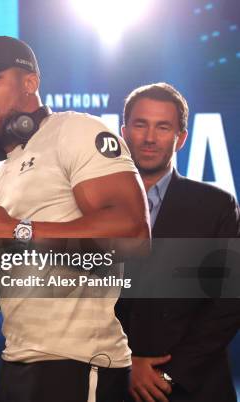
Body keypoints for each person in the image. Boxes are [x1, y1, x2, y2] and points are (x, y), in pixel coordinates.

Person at [0, 35, 149, 402]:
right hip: (17, 365)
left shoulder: (75, 131)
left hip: (81, 365)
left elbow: (133, 234)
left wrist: (16, 230)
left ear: (30, 83)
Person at [117, 82, 240, 402]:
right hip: (113, 382)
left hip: (194, 387)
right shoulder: (91, 207)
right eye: (140, 124)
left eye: (163, 127)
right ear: (123, 132)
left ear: (181, 138)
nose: (149, 137)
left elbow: (228, 304)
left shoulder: (216, 205)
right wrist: (126, 365)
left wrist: (168, 374)